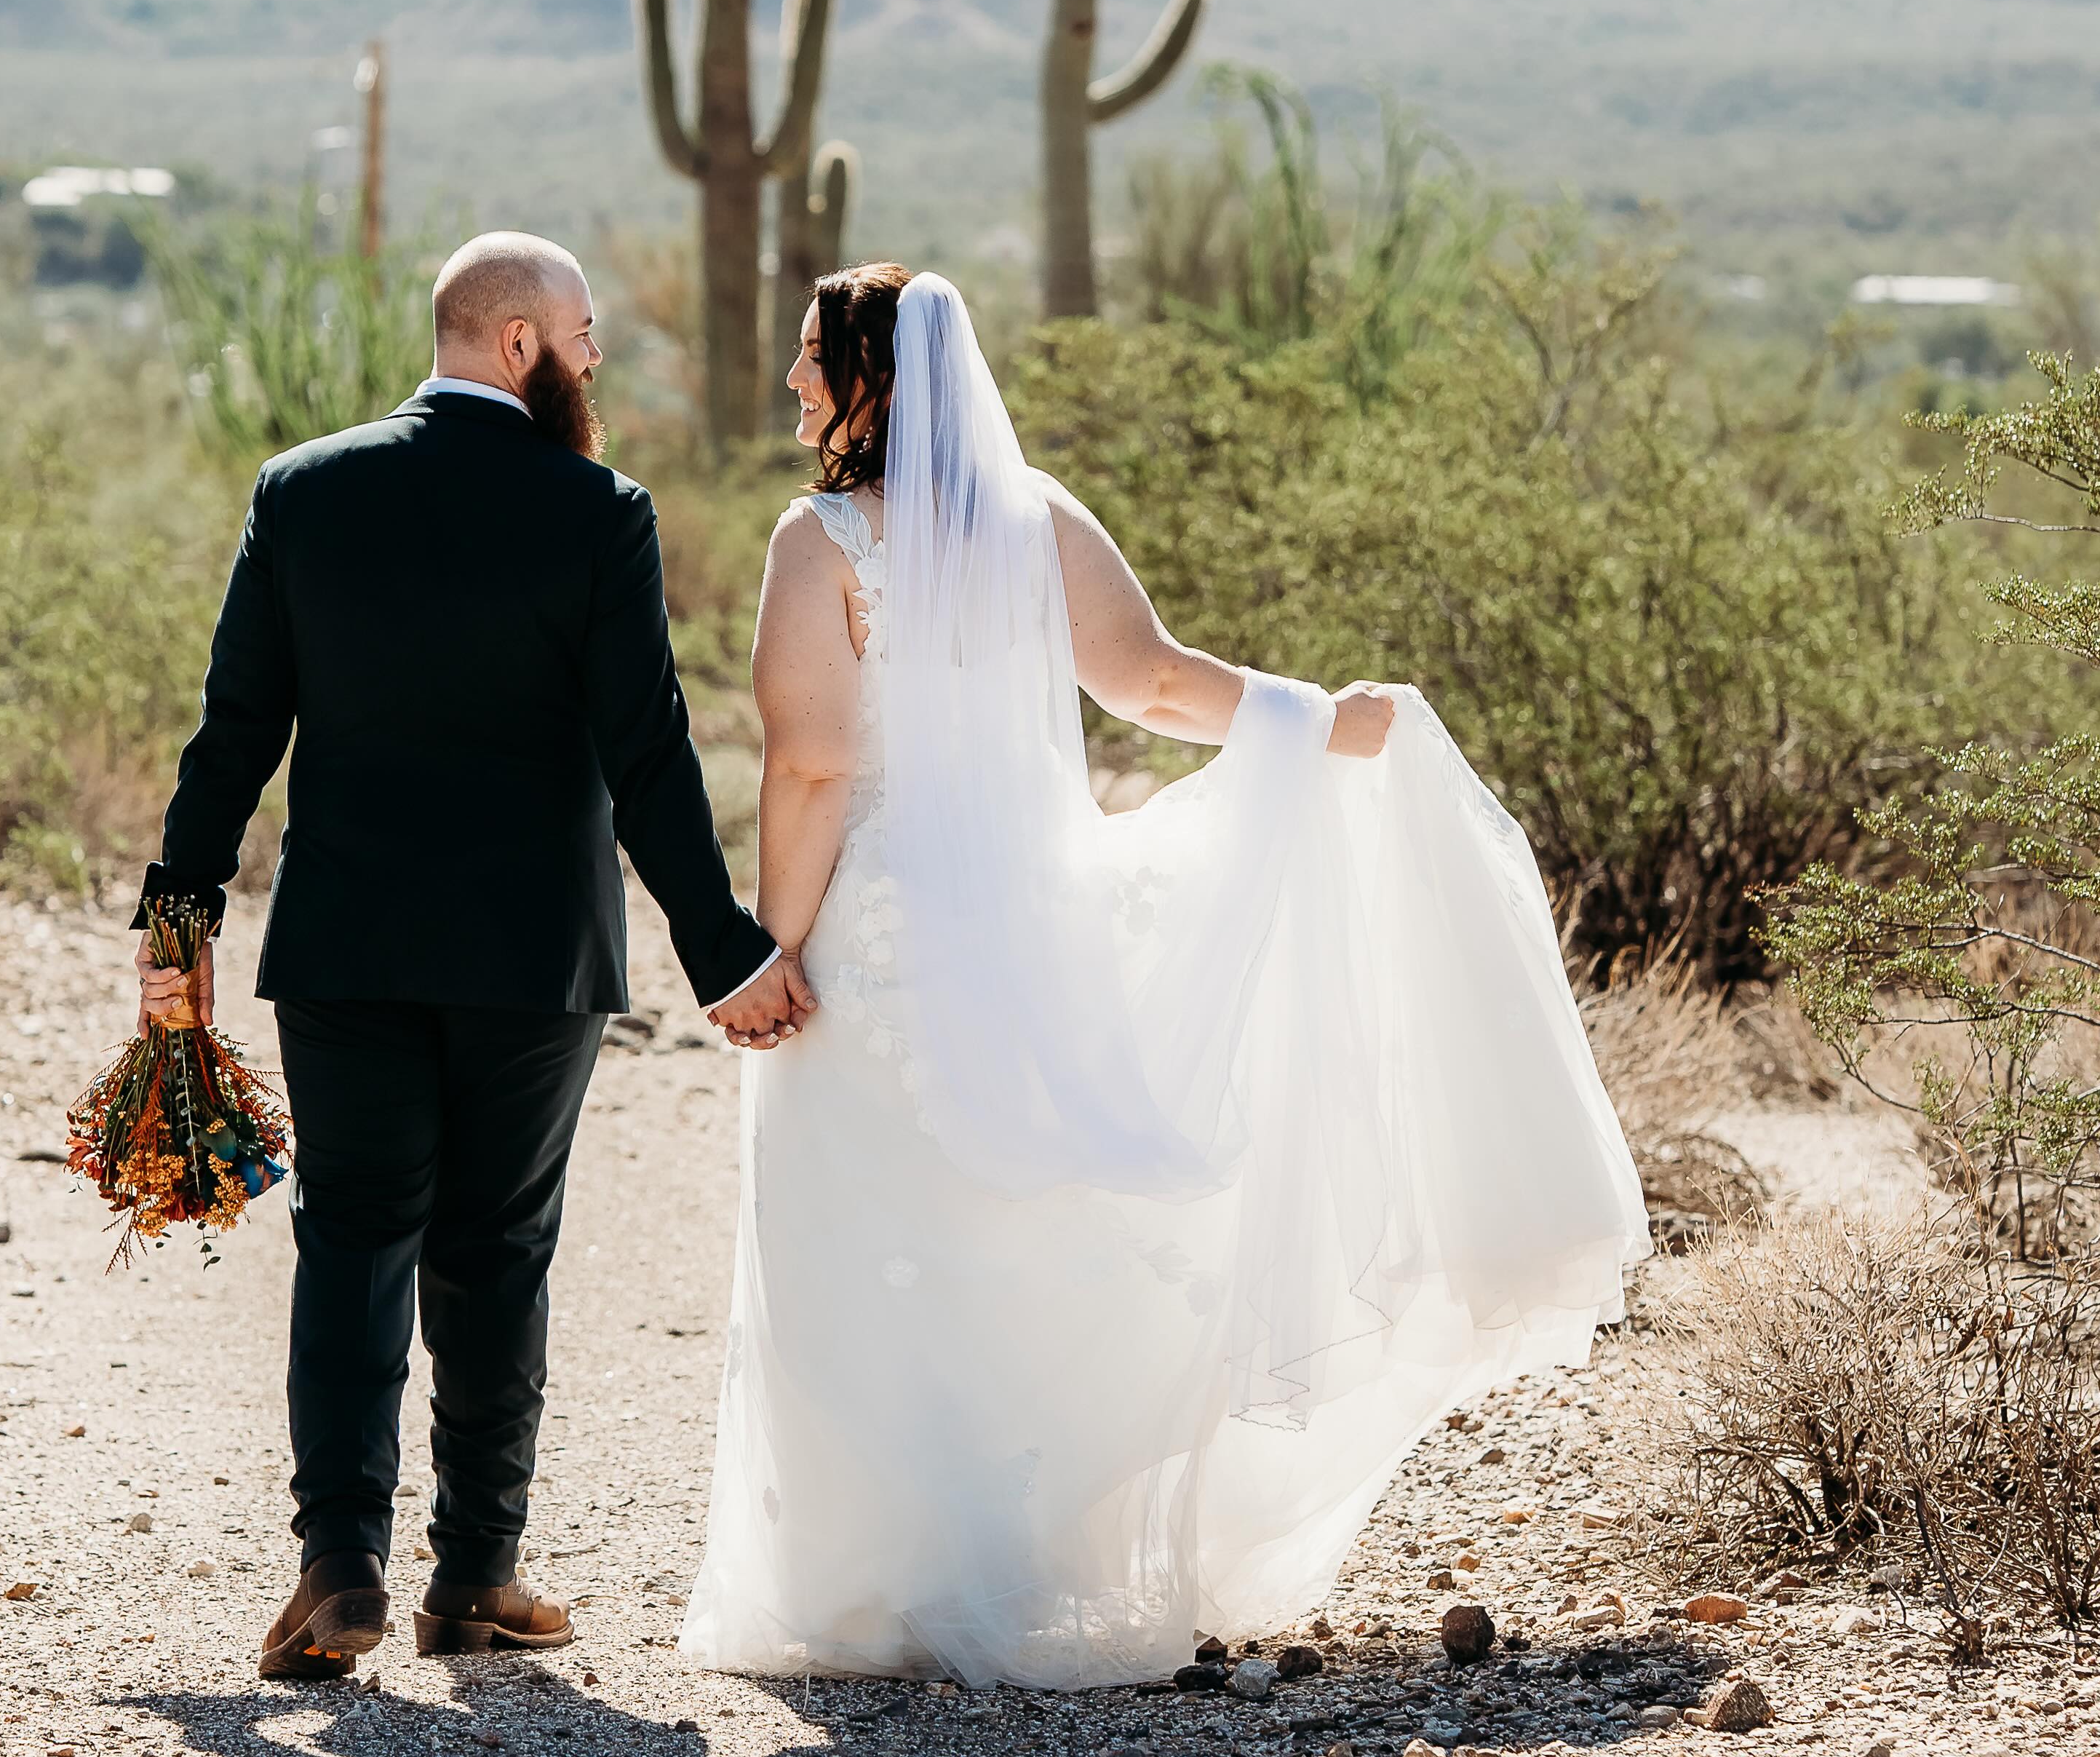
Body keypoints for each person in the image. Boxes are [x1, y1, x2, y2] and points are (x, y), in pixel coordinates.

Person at [684, 263, 1646, 1684]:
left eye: (814, 356)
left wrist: (769, 943)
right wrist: (1316, 720)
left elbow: (816, 762)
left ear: (873, 379)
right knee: (1010, 1226)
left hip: (879, 926)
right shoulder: (1040, 518)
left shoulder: (819, 538)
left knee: (860, 1227)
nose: (792, 381)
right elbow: (1152, 681)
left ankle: (875, 1585)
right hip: (1032, 915)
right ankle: (1023, 1558)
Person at [143, 230, 805, 1681]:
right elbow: (651, 759)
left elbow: (234, 730)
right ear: (521, 345)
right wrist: (725, 952)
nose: (595, 363)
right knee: (498, 1250)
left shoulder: (303, 493)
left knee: (356, 1237)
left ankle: (338, 1569)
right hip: (532, 959)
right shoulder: (597, 513)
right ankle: (477, 1576)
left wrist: (175, 927)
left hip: (348, 946)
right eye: (584, 338)